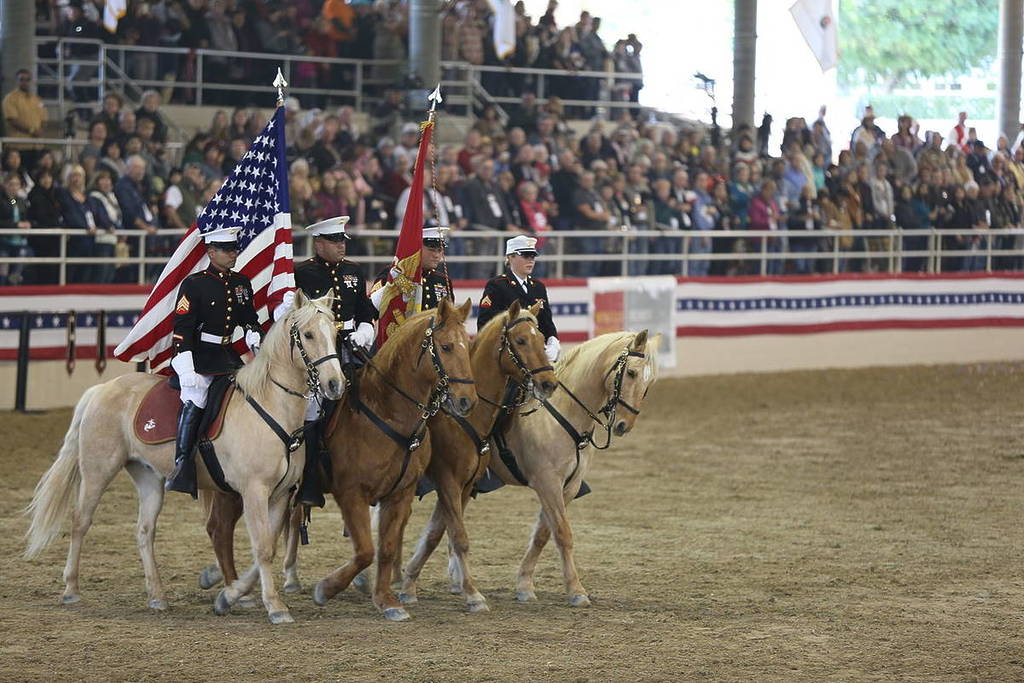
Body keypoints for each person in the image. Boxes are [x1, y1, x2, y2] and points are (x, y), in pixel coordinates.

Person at [278, 216, 375, 508]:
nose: (341, 246)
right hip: (318, 352)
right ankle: (309, 482)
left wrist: (366, 329)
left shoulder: (353, 271)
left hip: (351, 347)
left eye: (343, 240)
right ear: (318, 244)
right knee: (311, 411)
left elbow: (365, 309)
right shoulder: (301, 273)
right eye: (335, 241)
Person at [166, 226, 263, 498]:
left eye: (235, 249)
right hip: (199, 356)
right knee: (196, 395)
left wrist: (254, 332)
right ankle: (183, 464)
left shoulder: (241, 282)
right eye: (227, 250)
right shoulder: (195, 284)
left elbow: (248, 318)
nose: (234, 254)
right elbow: (182, 330)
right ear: (211, 252)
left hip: (228, 354)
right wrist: (185, 367)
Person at [477, 235, 559, 363]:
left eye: (532, 256)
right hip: (509, 356)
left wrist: (553, 340)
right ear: (510, 257)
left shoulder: (538, 287)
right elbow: (485, 323)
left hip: (536, 353)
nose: (530, 260)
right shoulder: (497, 285)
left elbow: (546, 321)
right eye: (525, 256)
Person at [371, 225, 454, 314]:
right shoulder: (393, 273)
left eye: (440, 250)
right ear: (417, 248)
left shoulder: (442, 281)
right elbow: (371, 308)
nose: (437, 255)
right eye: (432, 250)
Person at [2, 69, 48, 169]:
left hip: (37, 146)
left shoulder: (37, 99)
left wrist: (41, 130)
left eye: (27, 79)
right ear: (16, 81)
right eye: (21, 79)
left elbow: (44, 118)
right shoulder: (10, 98)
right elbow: (12, 120)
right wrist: (32, 131)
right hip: (19, 146)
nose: (25, 82)